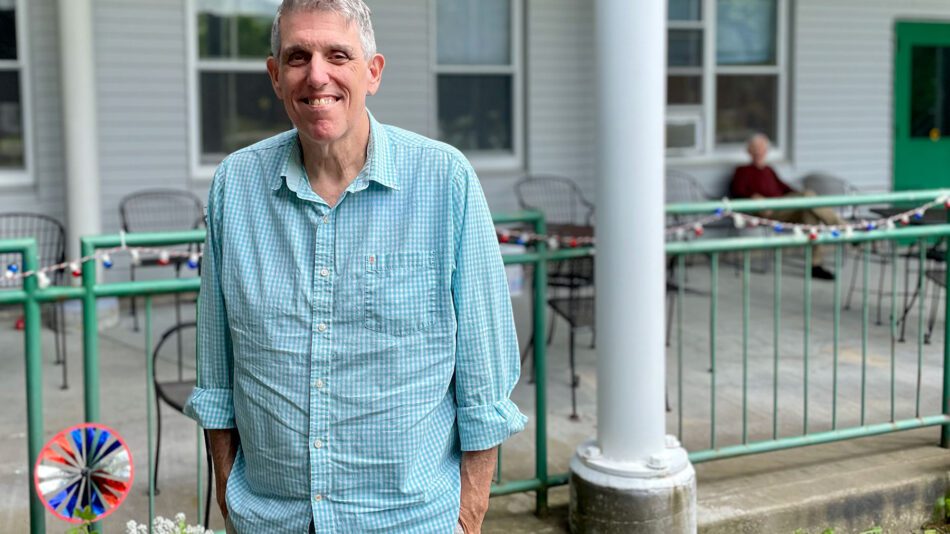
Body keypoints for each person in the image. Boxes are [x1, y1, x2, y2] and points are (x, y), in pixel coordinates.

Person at [183, 1, 527, 532]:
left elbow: (485, 376)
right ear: (276, 77)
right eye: (297, 57)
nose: (316, 75)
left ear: (373, 71)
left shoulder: (444, 182)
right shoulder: (235, 186)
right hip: (274, 520)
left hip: (411, 520)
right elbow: (217, 370)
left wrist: (470, 509)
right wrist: (230, 492)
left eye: (337, 54)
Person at [730, 133, 843, 280]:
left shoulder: (769, 170)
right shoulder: (742, 171)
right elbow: (737, 193)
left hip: (784, 210)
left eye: (761, 148)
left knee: (810, 213)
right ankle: (842, 227)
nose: (758, 152)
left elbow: (787, 189)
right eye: (755, 149)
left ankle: (815, 265)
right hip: (766, 213)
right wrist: (754, 198)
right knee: (808, 195)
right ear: (749, 151)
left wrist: (801, 198)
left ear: (766, 151)